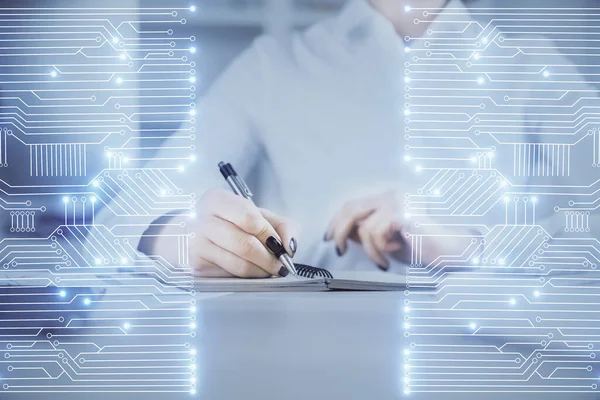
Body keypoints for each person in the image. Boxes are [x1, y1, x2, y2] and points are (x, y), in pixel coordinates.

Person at [130, 0, 592, 278]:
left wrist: (469, 247)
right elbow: (121, 218)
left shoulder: (537, 73)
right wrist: (185, 239)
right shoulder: (273, 66)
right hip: (298, 370)